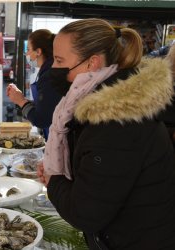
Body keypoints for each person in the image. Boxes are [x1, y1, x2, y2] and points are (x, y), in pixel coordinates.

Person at [38, 18, 175, 249]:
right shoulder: (101, 107)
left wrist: (54, 181)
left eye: (60, 60)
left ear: (92, 63)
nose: (53, 69)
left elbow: (85, 213)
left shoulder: (117, 121)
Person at [6, 29, 66, 139]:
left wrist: (21, 101)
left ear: (38, 51)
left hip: (59, 136)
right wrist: (23, 99)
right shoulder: (48, 70)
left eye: (28, 49)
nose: (26, 54)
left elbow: (41, 119)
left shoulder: (49, 75)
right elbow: (50, 105)